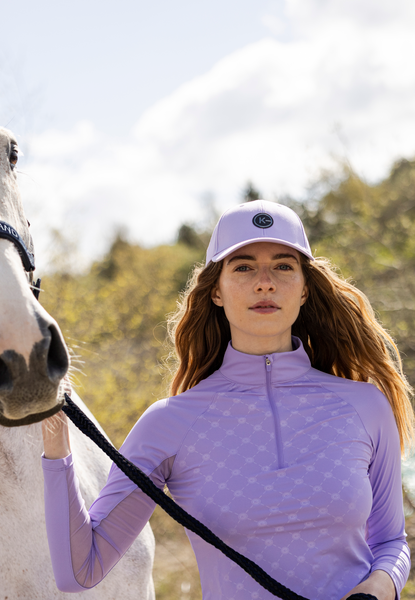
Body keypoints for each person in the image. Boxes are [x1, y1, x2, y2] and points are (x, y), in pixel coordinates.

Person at [41, 200, 413, 600]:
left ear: (305, 289)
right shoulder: (169, 424)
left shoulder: (365, 406)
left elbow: (391, 542)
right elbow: (81, 570)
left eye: (284, 266)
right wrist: (55, 449)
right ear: (215, 291)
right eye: (243, 267)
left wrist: (375, 590)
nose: (265, 282)